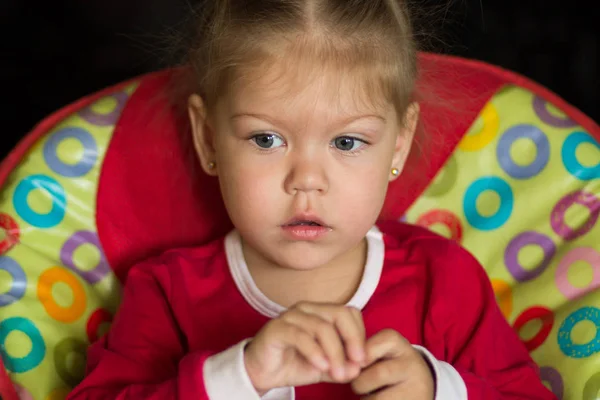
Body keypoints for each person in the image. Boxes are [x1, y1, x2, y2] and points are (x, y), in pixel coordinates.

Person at [68, 1, 556, 399]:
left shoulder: (444, 282)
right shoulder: (166, 293)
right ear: (209, 139)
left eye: (346, 143)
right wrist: (239, 378)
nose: (306, 181)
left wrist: (438, 391)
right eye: (265, 140)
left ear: (399, 144)